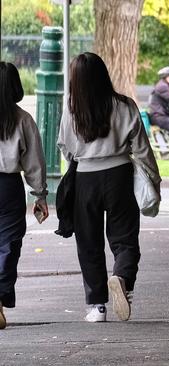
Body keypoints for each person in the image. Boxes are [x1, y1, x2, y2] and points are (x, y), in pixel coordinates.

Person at [57, 53, 160, 322]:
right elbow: (142, 149)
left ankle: (97, 307)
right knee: (125, 238)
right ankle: (122, 277)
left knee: (89, 243)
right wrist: (155, 182)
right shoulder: (125, 106)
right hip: (119, 176)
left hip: (85, 179)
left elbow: (66, 148)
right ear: (104, 75)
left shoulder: (71, 108)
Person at [0, 62, 49, 329]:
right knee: (8, 246)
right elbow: (34, 162)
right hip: (8, 188)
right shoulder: (23, 119)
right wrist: (39, 196)